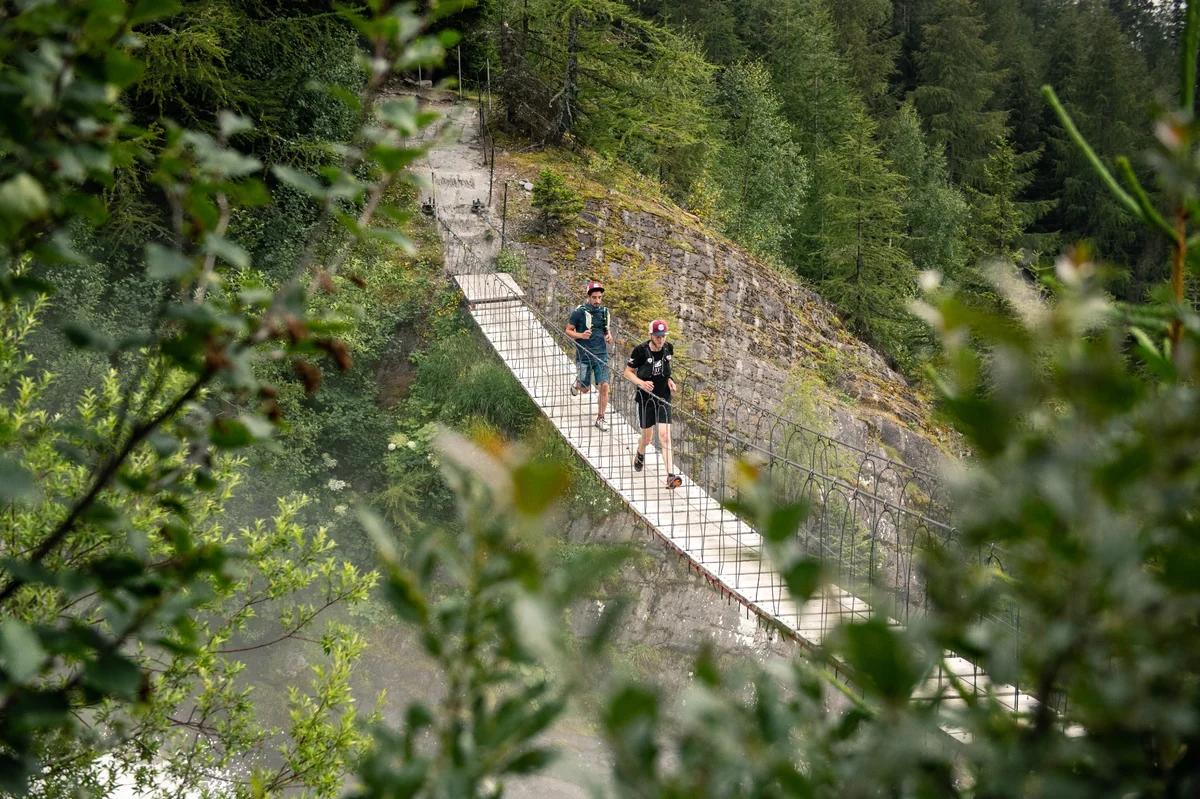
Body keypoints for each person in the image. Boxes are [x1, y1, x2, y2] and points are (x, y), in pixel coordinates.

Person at [625, 319, 681, 489]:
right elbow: (627, 372)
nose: (660, 339)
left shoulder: (668, 348)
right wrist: (641, 382)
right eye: (657, 336)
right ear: (650, 335)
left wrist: (670, 380)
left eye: (663, 336)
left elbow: (666, 369)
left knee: (664, 436)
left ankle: (670, 476)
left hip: (663, 398)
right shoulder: (640, 351)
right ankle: (640, 452)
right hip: (645, 399)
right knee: (647, 438)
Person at [567, 281, 614, 431]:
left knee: (604, 385)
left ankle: (601, 418)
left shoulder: (604, 312)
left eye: (600, 297)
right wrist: (580, 335)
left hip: (601, 355)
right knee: (585, 388)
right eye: (594, 297)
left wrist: (608, 336)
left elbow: (605, 330)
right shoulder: (579, 312)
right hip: (584, 355)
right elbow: (568, 330)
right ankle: (577, 384)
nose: (597, 301)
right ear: (588, 297)